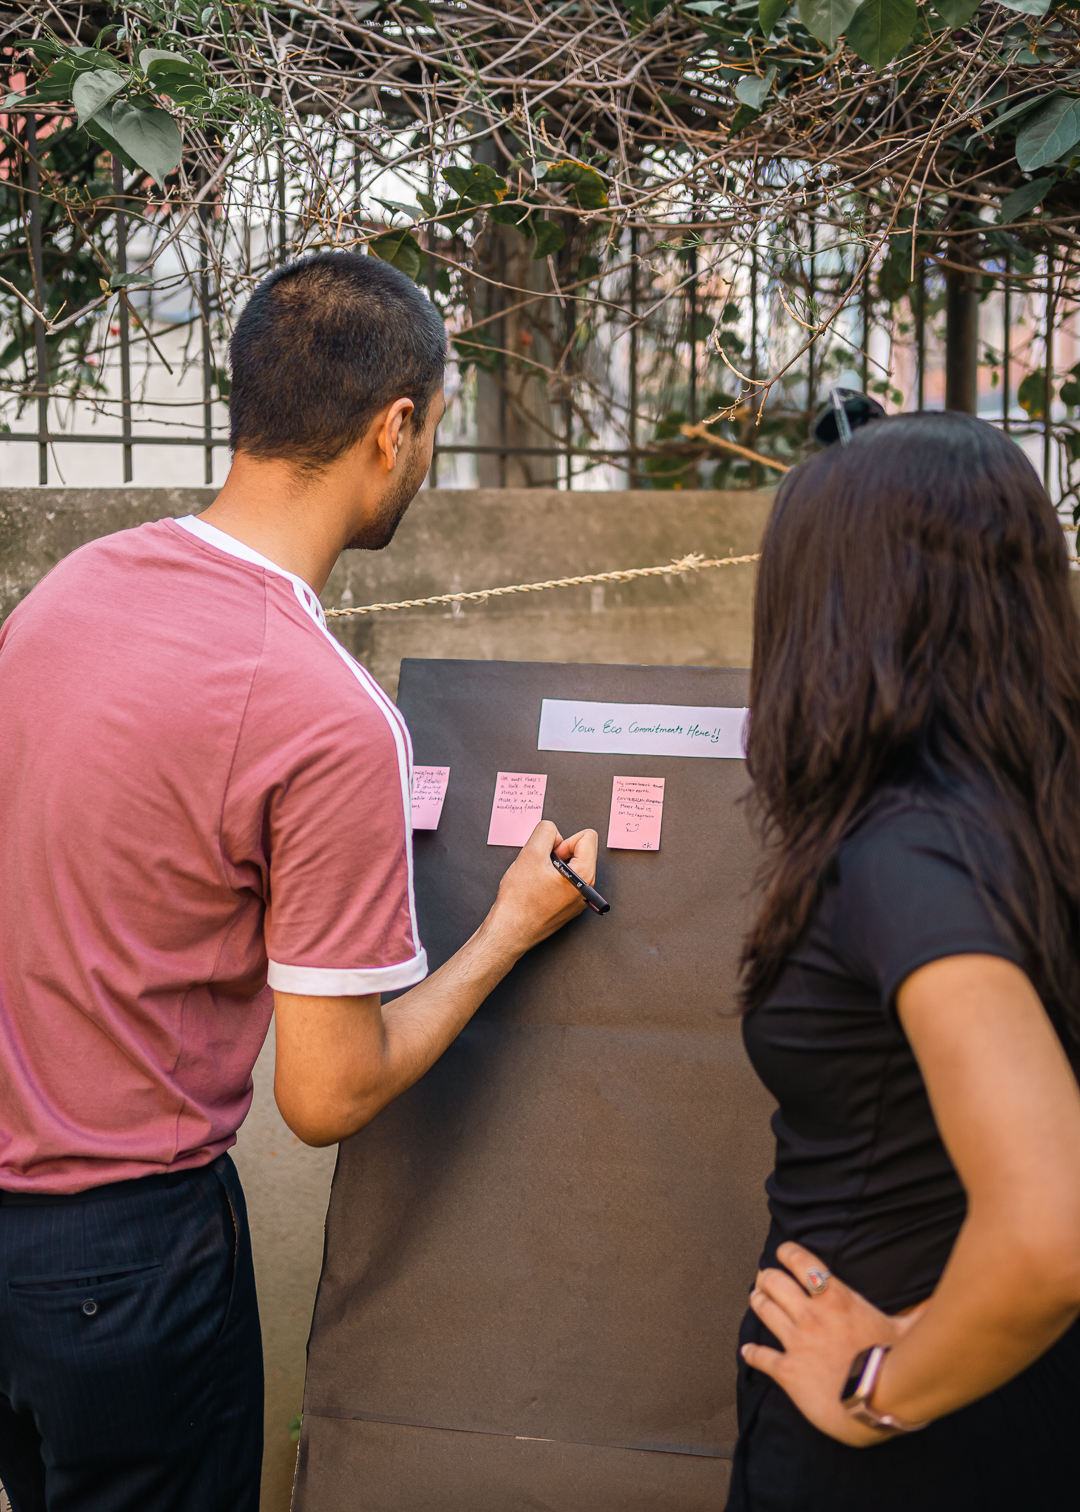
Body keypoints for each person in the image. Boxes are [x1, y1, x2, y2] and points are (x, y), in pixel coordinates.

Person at [0, 251, 597, 1512]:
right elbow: (326, 1096)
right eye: (433, 429)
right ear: (396, 427)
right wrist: (505, 929)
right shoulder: (329, 716)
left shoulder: (64, 595)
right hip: (130, 1256)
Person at [727, 411, 1080, 1511]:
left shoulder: (909, 851)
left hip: (895, 1434)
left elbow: (1052, 1228)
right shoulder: (1034, 820)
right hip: (1017, 1395)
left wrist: (884, 1386)